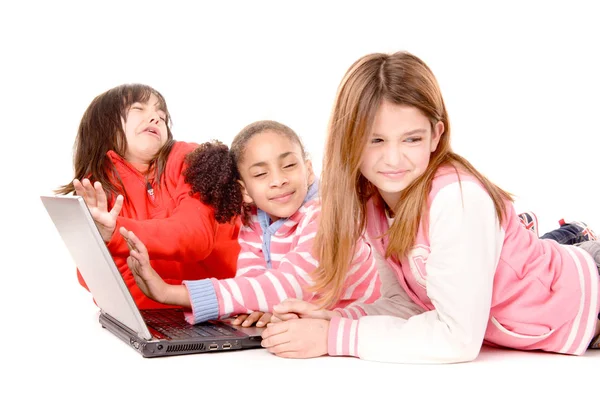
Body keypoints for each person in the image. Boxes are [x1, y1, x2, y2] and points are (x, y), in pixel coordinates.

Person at [260, 51, 600, 362]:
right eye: (375, 140)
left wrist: (333, 337)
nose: (393, 159)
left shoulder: (458, 200)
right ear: (349, 140)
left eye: (412, 139)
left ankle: (570, 232)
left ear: (436, 136)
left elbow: (458, 339)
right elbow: (410, 306)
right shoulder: (373, 203)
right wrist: (335, 318)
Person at [119, 120, 381, 327]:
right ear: (244, 190)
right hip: (307, 316)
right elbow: (252, 276)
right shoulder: (255, 217)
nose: (278, 180)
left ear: (309, 169)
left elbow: (290, 284)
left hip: (362, 320)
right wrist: (262, 308)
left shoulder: (326, 216)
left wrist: (170, 294)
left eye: (289, 165)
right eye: (261, 173)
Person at [56, 84, 240, 309]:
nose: (155, 118)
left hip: (237, 295)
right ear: (103, 125)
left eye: (161, 115)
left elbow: (195, 235)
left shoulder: (191, 159)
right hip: (189, 312)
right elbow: (110, 288)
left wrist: (115, 233)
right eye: (139, 109)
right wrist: (182, 301)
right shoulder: (97, 190)